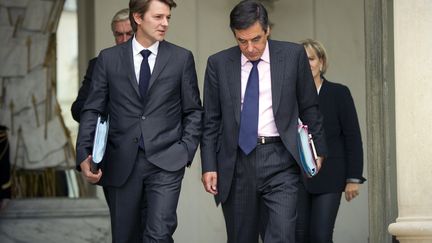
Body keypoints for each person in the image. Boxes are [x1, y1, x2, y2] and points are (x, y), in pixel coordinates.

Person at [75, 0, 202, 242]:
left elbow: (194, 110)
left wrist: (185, 150)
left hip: (167, 162)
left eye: (167, 18)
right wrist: (83, 153)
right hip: (120, 160)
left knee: (159, 234)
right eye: (158, 17)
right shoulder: (108, 59)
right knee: (125, 237)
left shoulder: (181, 58)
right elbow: (92, 108)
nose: (165, 23)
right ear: (138, 17)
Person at [200, 1, 327, 242]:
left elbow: (310, 106)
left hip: (281, 159)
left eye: (256, 39)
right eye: (242, 41)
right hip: (236, 162)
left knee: (282, 235)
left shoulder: (292, 56)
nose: (249, 48)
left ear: (267, 30)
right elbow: (211, 121)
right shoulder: (218, 64)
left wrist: (318, 150)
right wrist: (209, 165)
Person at [295, 39, 366, 243]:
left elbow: (353, 137)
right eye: (302, 60)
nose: (307, 64)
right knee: (298, 236)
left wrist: (353, 178)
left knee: (320, 236)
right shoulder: (288, 96)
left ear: (321, 62)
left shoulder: (339, 93)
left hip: (331, 175)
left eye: (311, 58)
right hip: (296, 177)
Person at [71, 8, 133, 122]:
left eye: (130, 34)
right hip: (111, 135)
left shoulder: (155, 61)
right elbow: (77, 108)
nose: (124, 40)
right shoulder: (98, 64)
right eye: (119, 34)